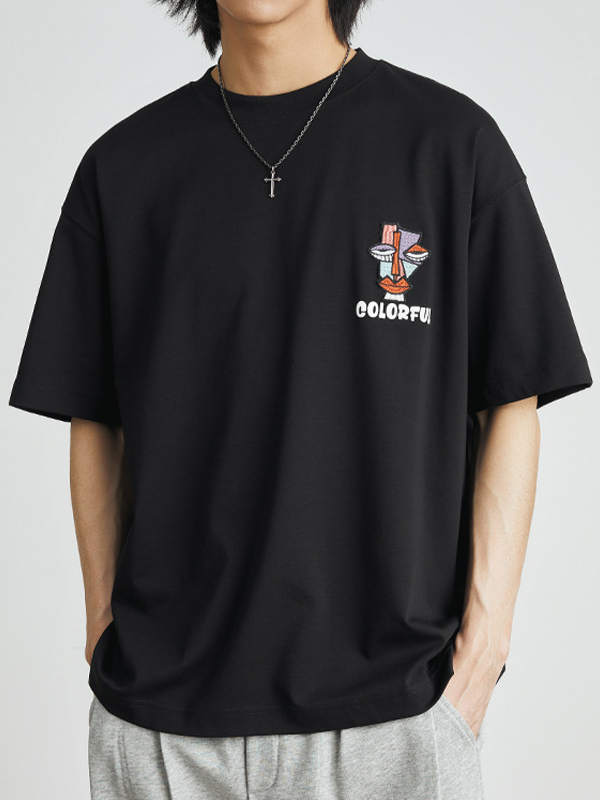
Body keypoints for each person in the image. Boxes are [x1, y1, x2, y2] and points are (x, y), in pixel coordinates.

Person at [8, 1, 593, 798]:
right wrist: (102, 625)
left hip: (394, 720)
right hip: (166, 732)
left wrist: (486, 642)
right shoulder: (124, 168)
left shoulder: (452, 147)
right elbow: (94, 416)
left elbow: (512, 396)